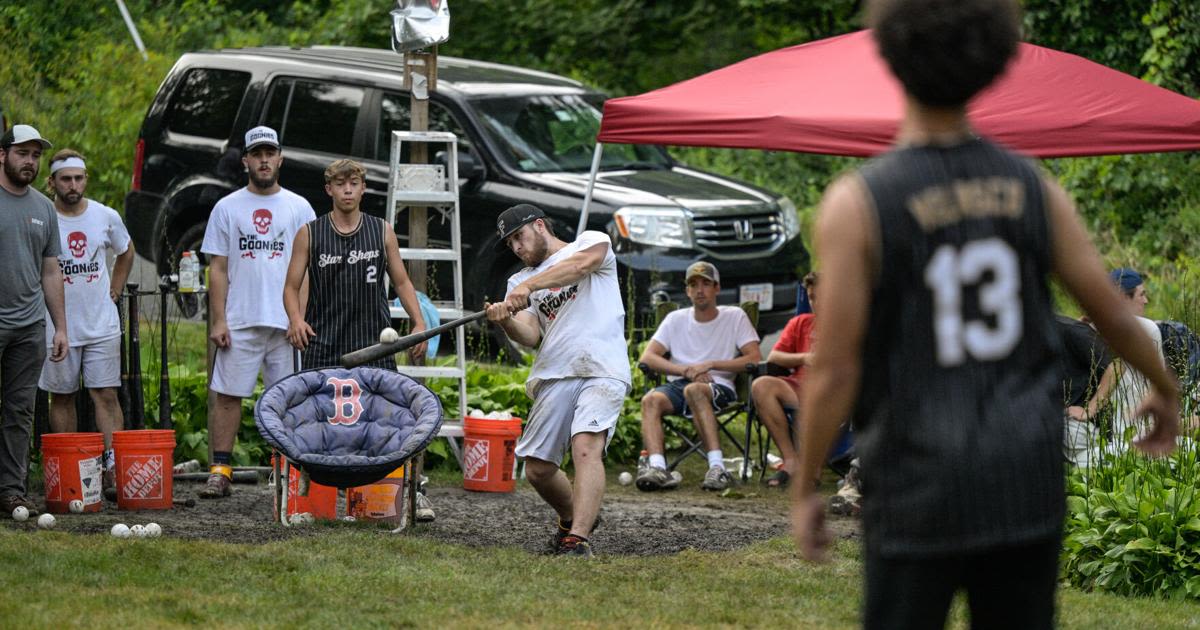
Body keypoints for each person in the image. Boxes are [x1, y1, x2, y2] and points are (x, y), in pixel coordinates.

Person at [790, 2, 1181, 628]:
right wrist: (1164, 386)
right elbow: (1108, 311)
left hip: (917, 480)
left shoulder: (860, 203)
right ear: (998, 61)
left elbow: (836, 366)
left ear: (885, 53)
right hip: (1022, 475)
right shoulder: (1031, 188)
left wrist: (806, 484)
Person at [283, 158, 431, 519]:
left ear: (364, 188)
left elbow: (401, 281)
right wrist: (296, 319)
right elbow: (290, 285)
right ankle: (307, 484)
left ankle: (409, 491)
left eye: (354, 183)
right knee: (317, 420)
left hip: (373, 342)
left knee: (387, 421)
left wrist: (417, 321)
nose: (348, 190)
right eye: (340, 184)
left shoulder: (381, 230)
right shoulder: (310, 232)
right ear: (329, 190)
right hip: (324, 340)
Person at [485, 203, 631, 557]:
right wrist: (504, 319)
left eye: (519, 237)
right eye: (510, 245)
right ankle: (573, 517)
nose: (517, 248)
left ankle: (577, 539)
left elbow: (580, 267)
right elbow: (531, 335)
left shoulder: (590, 242)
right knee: (537, 468)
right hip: (554, 371)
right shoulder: (517, 282)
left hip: (602, 366)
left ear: (539, 225)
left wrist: (531, 287)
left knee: (586, 446)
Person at [199, 126, 315, 499]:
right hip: (240, 320)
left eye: (270, 153)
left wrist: (299, 317)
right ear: (246, 160)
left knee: (289, 398)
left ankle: (288, 469)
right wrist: (218, 319)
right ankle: (220, 470)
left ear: (280, 158)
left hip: (284, 324)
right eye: (257, 154)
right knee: (229, 395)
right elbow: (217, 268)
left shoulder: (300, 207)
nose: (264, 160)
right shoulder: (227, 207)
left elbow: (307, 270)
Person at [38, 149, 135, 499]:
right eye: (66, 179)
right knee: (61, 397)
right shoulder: (43, 215)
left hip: (101, 324)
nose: (73, 185)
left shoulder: (104, 216)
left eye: (79, 178)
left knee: (105, 395)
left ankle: (111, 469)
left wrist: (116, 288)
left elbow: (126, 250)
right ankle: (70, 471)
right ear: (52, 182)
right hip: (57, 325)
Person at [635, 261, 760, 492]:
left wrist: (710, 365)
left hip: (718, 384)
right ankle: (658, 468)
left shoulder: (735, 316)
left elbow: (753, 358)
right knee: (650, 399)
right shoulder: (676, 319)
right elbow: (648, 358)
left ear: (717, 288)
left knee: (694, 390)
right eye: (693, 284)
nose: (700, 289)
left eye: (706, 283)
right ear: (687, 291)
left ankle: (717, 468)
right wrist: (686, 370)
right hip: (681, 382)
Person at [0, 124, 67, 517]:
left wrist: (60, 326)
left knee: (20, 410)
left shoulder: (44, 207)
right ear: (2, 154)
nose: (30, 161)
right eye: (23, 153)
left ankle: (10, 491)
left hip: (28, 327)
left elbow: (50, 271)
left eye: (36, 155)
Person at [1068, 269, 1165, 451]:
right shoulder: (1147, 328)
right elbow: (1119, 366)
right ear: (1122, 298)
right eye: (1141, 294)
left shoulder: (1085, 329)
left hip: (1113, 436)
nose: (1146, 301)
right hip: (1130, 436)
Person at [750, 271, 818, 488]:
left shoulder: (847, 324)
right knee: (761, 385)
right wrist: (805, 358)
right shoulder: (801, 323)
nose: (816, 302)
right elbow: (775, 357)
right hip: (799, 386)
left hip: (834, 391)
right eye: (812, 297)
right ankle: (790, 461)